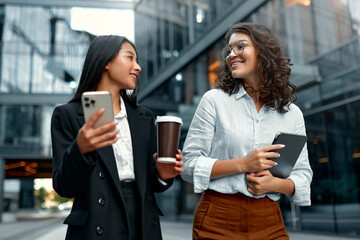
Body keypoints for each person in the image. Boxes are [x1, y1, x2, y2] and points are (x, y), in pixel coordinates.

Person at [181, 23, 313, 239]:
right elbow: (188, 165)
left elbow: (303, 173)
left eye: (240, 47)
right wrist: (243, 164)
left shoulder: (292, 114)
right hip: (218, 218)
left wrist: (275, 184)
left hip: (270, 218)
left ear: (264, 51)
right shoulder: (214, 101)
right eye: (229, 50)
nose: (231, 55)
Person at [51, 35, 184, 240]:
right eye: (130, 58)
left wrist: (163, 174)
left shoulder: (144, 117)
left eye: (137, 60)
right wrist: (81, 149)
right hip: (96, 224)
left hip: (142, 223)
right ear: (106, 62)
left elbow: (152, 183)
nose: (138, 67)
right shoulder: (67, 115)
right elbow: (64, 187)